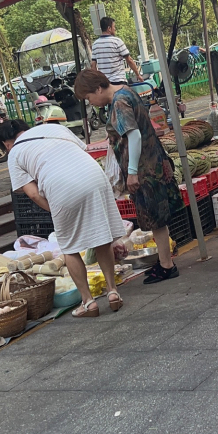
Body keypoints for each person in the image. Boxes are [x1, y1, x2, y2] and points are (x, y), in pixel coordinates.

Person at [0, 118, 126, 317]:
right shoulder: (53, 128)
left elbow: (33, 194)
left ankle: (88, 302)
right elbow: (80, 152)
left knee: (70, 248)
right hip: (94, 176)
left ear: (7, 144)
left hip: (60, 187)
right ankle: (113, 292)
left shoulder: (14, 153)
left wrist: (58, 210)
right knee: (101, 236)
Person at [74, 66, 180, 285]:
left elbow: (134, 136)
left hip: (144, 168)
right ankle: (164, 261)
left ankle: (167, 266)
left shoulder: (119, 102)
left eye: (89, 97)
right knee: (157, 218)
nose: (90, 102)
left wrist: (132, 173)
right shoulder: (126, 90)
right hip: (152, 162)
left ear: (98, 88)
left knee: (156, 219)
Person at [89, 16, 143, 85]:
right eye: (114, 27)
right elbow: (129, 60)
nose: (115, 29)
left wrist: (97, 81)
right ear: (109, 28)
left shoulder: (95, 44)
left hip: (105, 83)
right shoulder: (117, 41)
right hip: (118, 82)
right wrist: (137, 74)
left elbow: (93, 65)